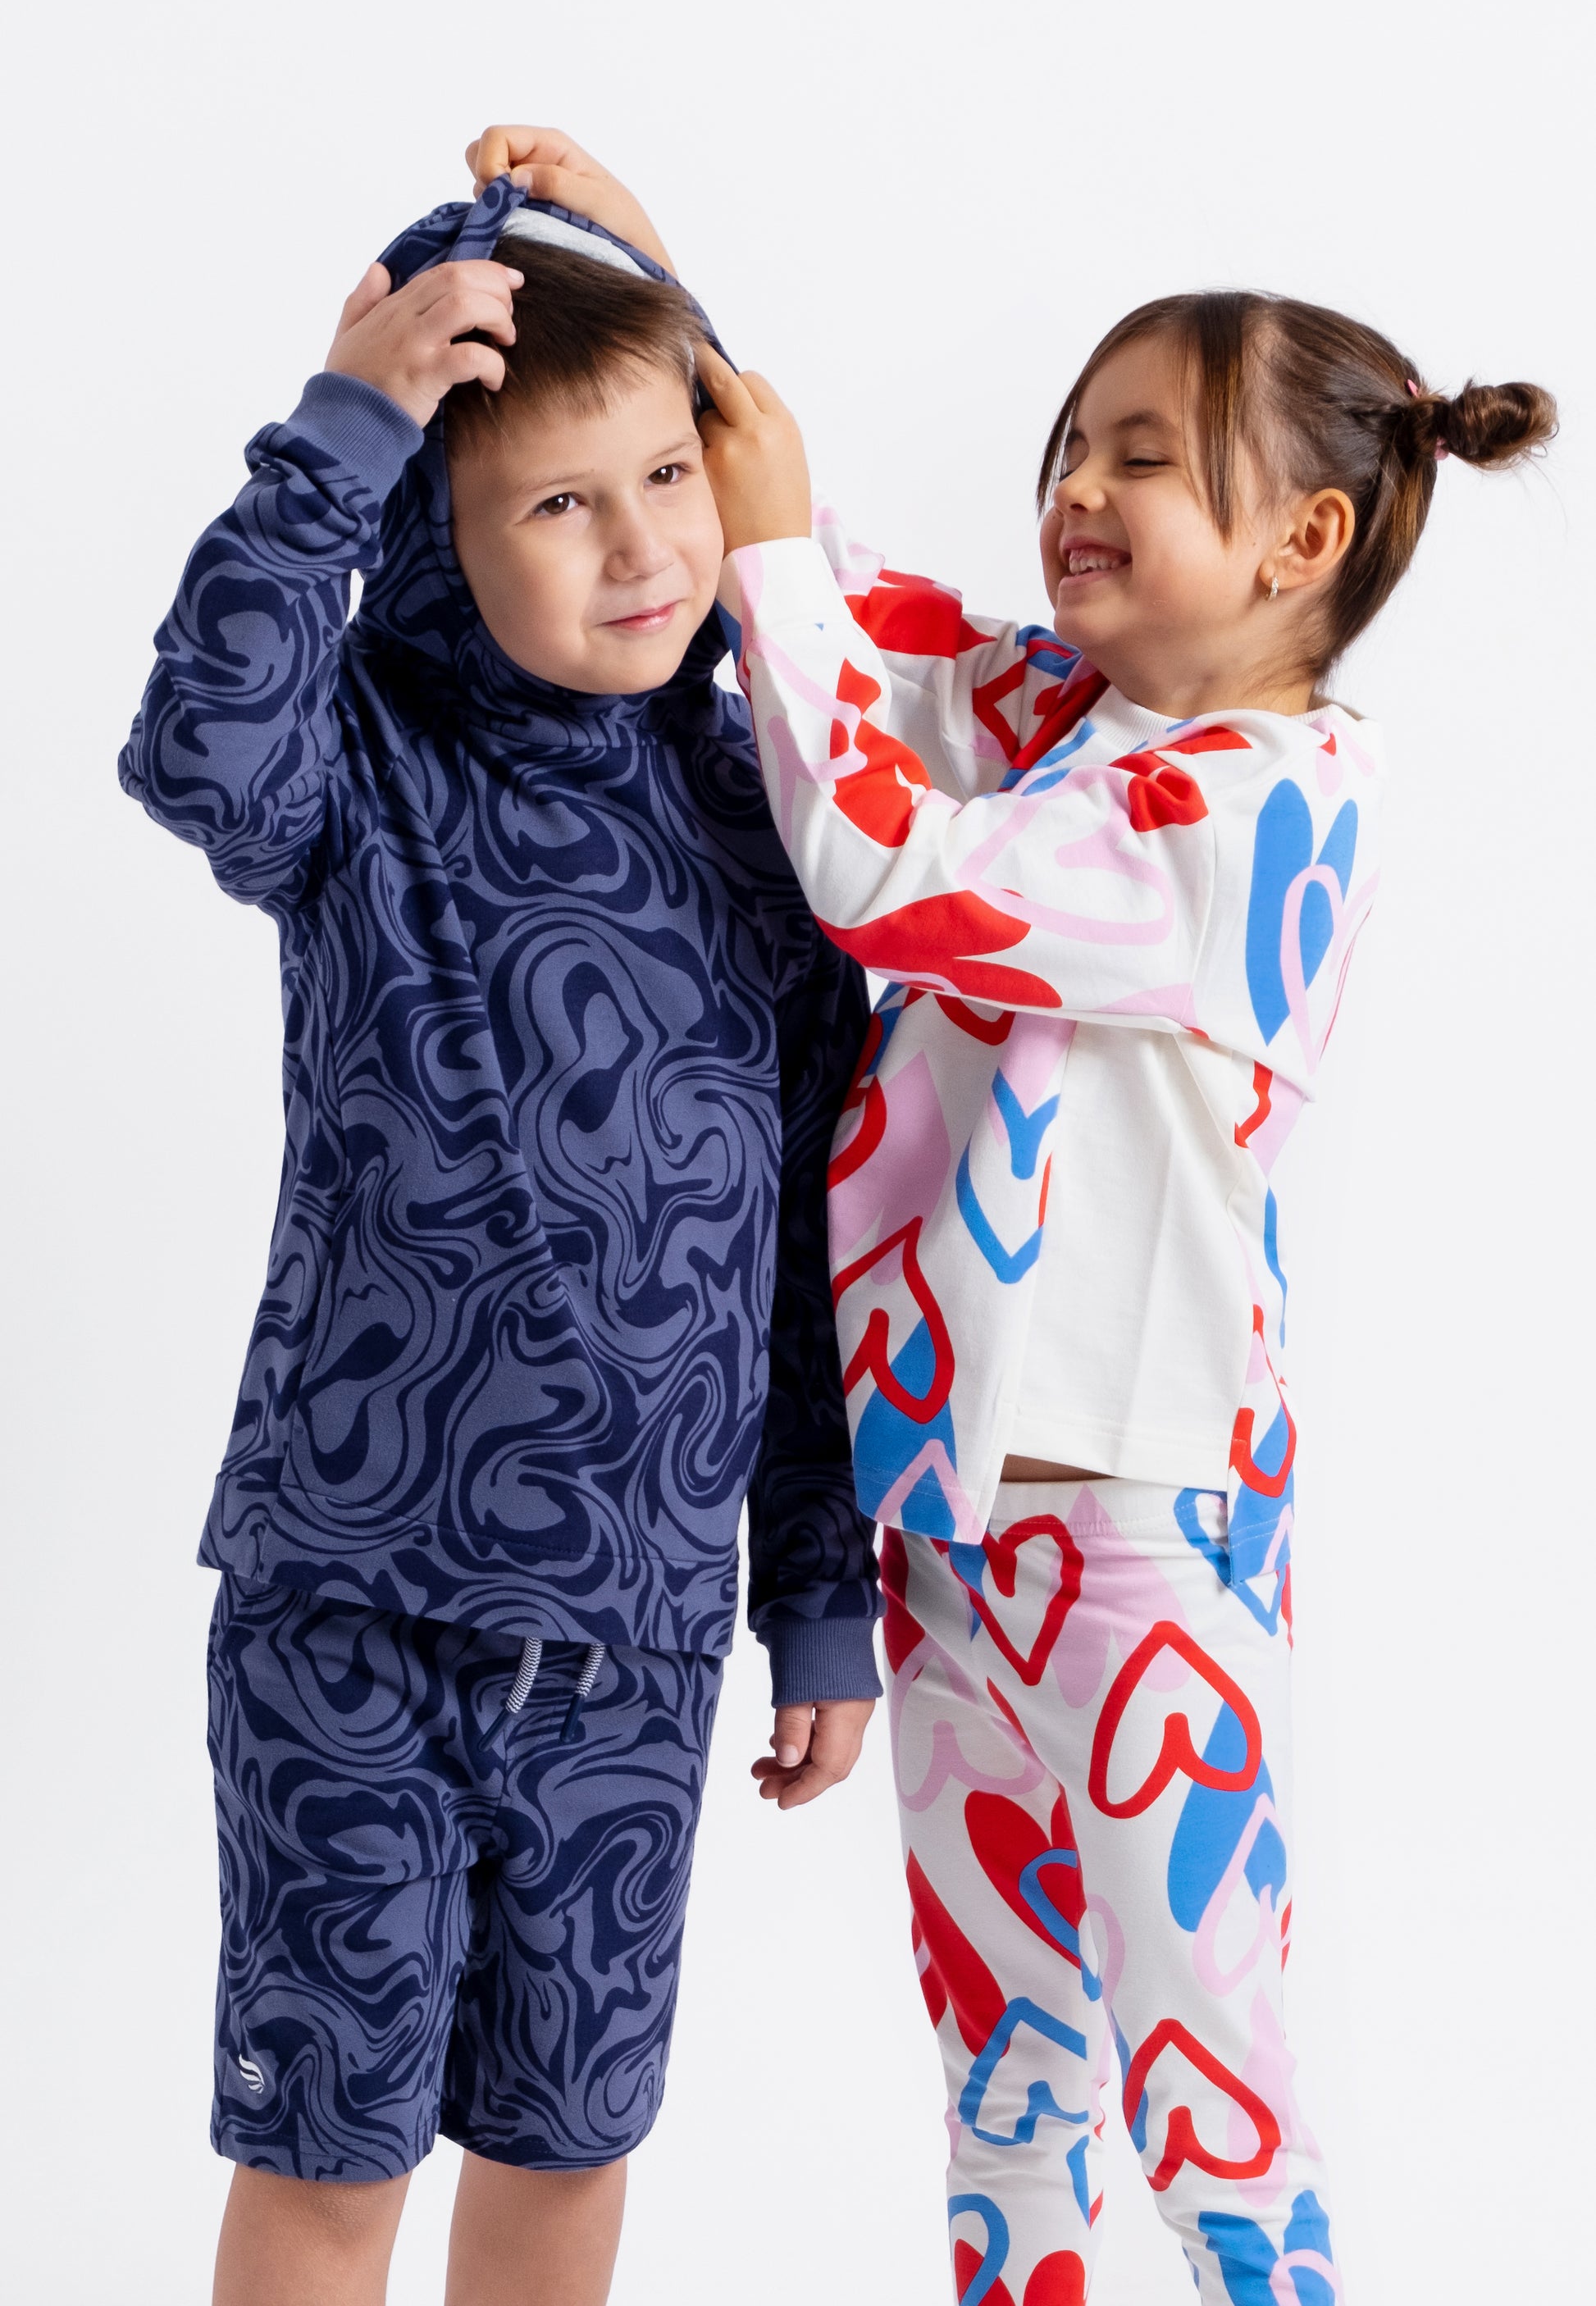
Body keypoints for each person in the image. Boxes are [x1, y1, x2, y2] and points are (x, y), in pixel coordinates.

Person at [466, 130, 1557, 2303]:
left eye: (1142, 456)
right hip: (957, 1540)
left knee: (1207, 2101)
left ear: (1303, 540)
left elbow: (882, 862)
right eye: (1070, 444)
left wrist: (783, 572)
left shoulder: (1252, 814)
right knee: (1006, 2084)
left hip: (1143, 1547)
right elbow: (843, 611)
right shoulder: (1073, 719)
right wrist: (670, 313)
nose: (1074, 484)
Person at [119, 174, 881, 2306]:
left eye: (666, 480)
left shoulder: (771, 812)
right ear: (435, 536)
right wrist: (339, 431)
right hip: (348, 1609)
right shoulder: (356, 763)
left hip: (635, 1640)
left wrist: (818, 1596)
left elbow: (811, 1256)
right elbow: (195, 752)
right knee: (328, 2155)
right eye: (558, 505)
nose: (641, 547)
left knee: (567, 2149)